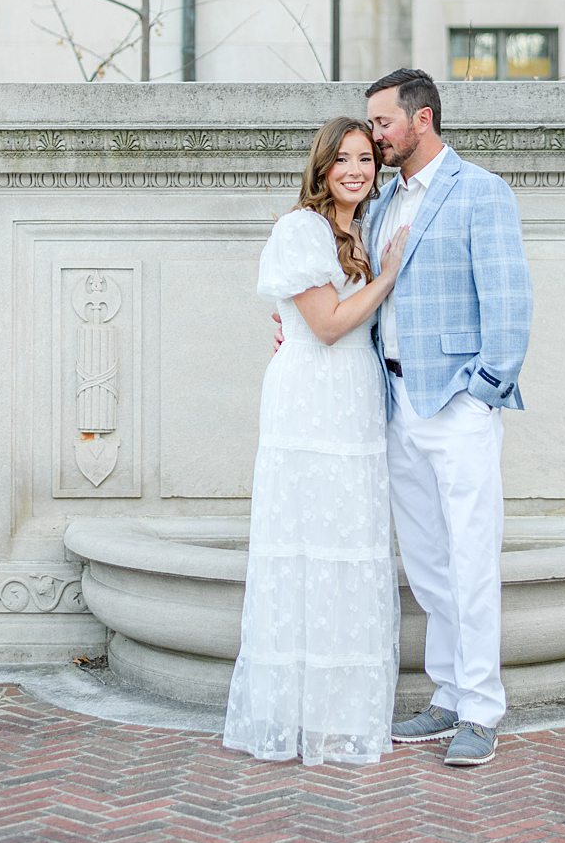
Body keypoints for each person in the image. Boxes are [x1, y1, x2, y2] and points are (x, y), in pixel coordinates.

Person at [225, 116, 407, 766]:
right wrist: (387, 276)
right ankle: (292, 716)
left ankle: (340, 714)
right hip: (309, 403)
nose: (357, 170)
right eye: (345, 159)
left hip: (356, 398)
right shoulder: (299, 229)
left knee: (350, 551)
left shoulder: (364, 228)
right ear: (322, 166)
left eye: (367, 159)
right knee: (305, 552)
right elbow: (327, 324)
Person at [366, 67, 532, 769]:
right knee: (428, 561)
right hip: (395, 402)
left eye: (382, 123)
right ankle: (446, 693)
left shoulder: (480, 192)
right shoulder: (380, 203)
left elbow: (509, 300)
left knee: (469, 557)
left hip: (456, 401)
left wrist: (483, 391)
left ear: (422, 119)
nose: (375, 136)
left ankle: (482, 709)